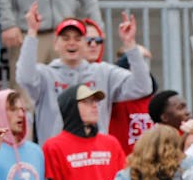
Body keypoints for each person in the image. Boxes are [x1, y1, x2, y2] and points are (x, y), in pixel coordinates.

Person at [16, 8, 149, 143]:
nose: (72, 43)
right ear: (56, 44)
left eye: (78, 38)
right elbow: (24, 77)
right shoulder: (45, 74)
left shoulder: (103, 72)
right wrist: (32, 33)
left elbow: (142, 87)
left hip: (95, 157)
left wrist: (130, 44)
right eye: (65, 38)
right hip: (58, 157)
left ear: (85, 44)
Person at [42, 85, 126, 180]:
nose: (94, 106)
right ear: (71, 107)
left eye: (95, 102)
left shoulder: (111, 143)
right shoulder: (54, 146)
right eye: (86, 102)